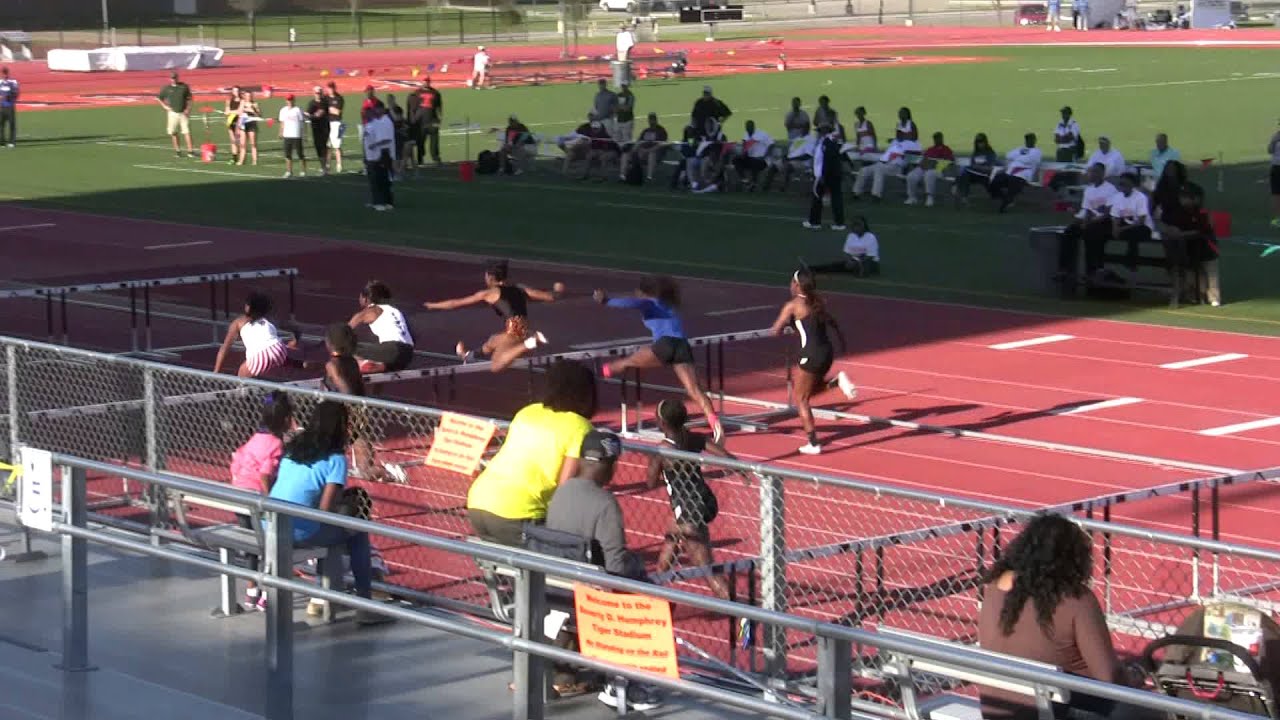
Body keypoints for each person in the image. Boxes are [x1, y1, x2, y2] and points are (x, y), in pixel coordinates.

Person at [978, 514, 1138, 720]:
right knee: (1150, 710)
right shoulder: (1077, 600)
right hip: (1054, 712)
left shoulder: (993, 588)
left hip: (998, 712)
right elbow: (1110, 679)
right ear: (1073, 559)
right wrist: (1135, 676)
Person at [268, 401, 392, 626]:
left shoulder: (294, 448)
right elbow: (326, 511)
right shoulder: (336, 460)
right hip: (297, 531)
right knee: (357, 533)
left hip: (270, 523)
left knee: (335, 536)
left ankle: (321, 597)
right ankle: (364, 605)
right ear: (340, 427)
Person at [466, 360, 598, 546]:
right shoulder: (580, 426)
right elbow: (566, 488)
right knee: (572, 555)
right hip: (518, 512)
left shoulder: (527, 412)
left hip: (478, 501)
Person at [593, 275, 724, 442]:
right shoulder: (670, 304)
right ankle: (716, 425)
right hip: (682, 346)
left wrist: (606, 300)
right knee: (694, 390)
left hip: (665, 345)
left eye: (637, 291)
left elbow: (630, 303)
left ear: (642, 292)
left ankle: (598, 374)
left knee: (626, 362)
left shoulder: (649, 302)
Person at [646, 400, 732, 600]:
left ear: (662, 423)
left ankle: (744, 616)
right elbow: (724, 454)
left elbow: (650, 482)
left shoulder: (662, 451)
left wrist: (661, 469)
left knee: (709, 571)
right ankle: (653, 601)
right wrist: (739, 468)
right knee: (664, 562)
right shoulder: (691, 439)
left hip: (688, 514)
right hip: (698, 504)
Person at [769, 270, 856, 454]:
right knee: (807, 391)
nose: (790, 285)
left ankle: (813, 443)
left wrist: (786, 325)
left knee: (801, 399)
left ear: (797, 285)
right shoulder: (818, 302)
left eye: (792, 282)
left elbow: (775, 330)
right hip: (827, 352)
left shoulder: (792, 306)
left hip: (811, 355)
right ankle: (836, 382)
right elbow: (810, 326)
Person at [423, 259, 561, 371]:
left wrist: (433, 305)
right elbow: (550, 297)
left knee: (496, 366)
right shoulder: (520, 288)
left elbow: (455, 303)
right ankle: (468, 355)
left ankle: (530, 343)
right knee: (492, 341)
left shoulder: (489, 293)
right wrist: (558, 289)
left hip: (515, 330)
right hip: (524, 327)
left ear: (490, 277)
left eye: (485, 275)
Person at [546, 429, 644, 579]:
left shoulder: (562, 490)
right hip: (586, 587)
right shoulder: (606, 503)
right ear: (610, 466)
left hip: (553, 577)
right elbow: (616, 566)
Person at [229, 391, 295, 611]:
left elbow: (237, 460)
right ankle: (267, 593)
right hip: (256, 498)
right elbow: (266, 475)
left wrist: (238, 481)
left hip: (239, 495)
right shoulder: (276, 444)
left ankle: (250, 591)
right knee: (270, 545)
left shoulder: (255, 438)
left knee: (250, 544)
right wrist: (270, 501)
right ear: (286, 420)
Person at [213, 292, 301, 379]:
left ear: (249, 307)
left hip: (259, 355)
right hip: (279, 349)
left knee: (242, 374)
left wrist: (216, 372)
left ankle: (243, 392)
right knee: (292, 362)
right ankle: (311, 368)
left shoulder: (238, 322)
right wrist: (294, 342)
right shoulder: (269, 318)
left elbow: (224, 348)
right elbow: (296, 330)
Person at [1060, 163, 1117, 284]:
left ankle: (1092, 270)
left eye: (1095, 172)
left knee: (1090, 234)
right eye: (1091, 172)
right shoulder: (1089, 190)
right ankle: (1065, 268)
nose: (1092, 174)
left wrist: (1089, 222)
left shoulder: (1110, 189)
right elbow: (1086, 210)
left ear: (1102, 174)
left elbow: (1109, 212)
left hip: (1104, 222)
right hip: (1090, 221)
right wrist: (1078, 218)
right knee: (1070, 231)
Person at [347, 280, 415, 373]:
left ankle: (361, 364)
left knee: (345, 346)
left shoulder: (369, 311)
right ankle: (377, 366)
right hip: (408, 354)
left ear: (365, 299)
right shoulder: (395, 310)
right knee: (385, 361)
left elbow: (343, 332)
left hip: (391, 350)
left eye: (360, 297)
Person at [804, 215, 881, 276]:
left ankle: (859, 269)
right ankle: (811, 268)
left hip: (869, 263)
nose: (856, 227)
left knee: (863, 267)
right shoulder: (851, 236)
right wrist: (849, 260)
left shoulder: (870, 237)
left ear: (864, 226)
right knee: (834, 266)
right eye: (854, 225)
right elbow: (846, 252)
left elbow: (870, 256)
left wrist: (857, 262)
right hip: (853, 260)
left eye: (858, 225)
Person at [1110, 172, 1155, 276]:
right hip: (1125, 226)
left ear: (1132, 185)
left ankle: (1131, 261)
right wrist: (1115, 228)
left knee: (1134, 234)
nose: (1123, 187)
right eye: (1121, 184)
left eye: (1126, 184)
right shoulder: (1117, 197)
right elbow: (1115, 216)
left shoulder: (1140, 197)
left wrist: (1120, 229)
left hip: (1142, 227)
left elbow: (1141, 221)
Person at [804, 123, 846, 230]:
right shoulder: (831, 141)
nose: (818, 133)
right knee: (836, 198)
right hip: (832, 174)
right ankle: (839, 223)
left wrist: (822, 175)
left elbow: (827, 160)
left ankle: (814, 222)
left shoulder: (827, 142)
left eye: (820, 130)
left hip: (826, 174)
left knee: (817, 198)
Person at [989, 133, 1041, 213]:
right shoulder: (1020, 148)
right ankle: (1005, 198)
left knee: (1013, 185)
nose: (1029, 141)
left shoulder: (1037, 152)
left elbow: (1028, 160)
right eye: (1027, 140)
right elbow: (1008, 155)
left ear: (1034, 140)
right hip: (1010, 173)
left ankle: (1004, 206)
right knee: (994, 182)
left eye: (1031, 140)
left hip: (1022, 175)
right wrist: (1019, 158)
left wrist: (1017, 158)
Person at [905, 132, 955, 207]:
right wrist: (921, 163)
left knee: (929, 173)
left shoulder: (946, 149)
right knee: (911, 176)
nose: (937, 140)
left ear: (942, 138)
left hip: (938, 170)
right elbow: (923, 159)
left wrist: (936, 164)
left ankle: (929, 197)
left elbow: (950, 161)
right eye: (935, 138)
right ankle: (912, 197)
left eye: (938, 138)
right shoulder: (930, 149)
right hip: (925, 167)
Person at [362, 104, 395, 211]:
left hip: (376, 157)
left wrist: (375, 147)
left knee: (378, 181)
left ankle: (380, 203)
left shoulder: (377, 124)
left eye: (368, 113)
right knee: (375, 181)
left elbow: (384, 140)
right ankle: (379, 201)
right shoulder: (368, 125)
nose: (366, 115)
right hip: (370, 157)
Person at [622, 112, 668, 182]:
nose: (651, 121)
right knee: (625, 154)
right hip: (642, 152)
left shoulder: (661, 131)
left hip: (655, 153)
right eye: (650, 119)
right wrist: (636, 149)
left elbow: (661, 144)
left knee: (651, 154)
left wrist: (648, 150)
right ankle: (623, 175)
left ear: (656, 120)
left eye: (653, 119)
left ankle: (649, 177)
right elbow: (639, 141)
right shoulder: (646, 130)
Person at [955, 132, 999, 204]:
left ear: (985, 142)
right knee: (964, 174)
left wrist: (978, 167)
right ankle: (964, 197)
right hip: (974, 175)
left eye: (981, 142)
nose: (979, 144)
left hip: (985, 175)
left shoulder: (990, 153)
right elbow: (972, 165)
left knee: (965, 170)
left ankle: (955, 186)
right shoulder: (975, 153)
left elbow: (990, 168)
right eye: (978, 142)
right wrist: (974, 167)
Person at [157, 72, 193, 158]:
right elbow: (159, 98)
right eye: (172, 78)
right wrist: (165, 106)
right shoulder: (166, 88)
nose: (173, 79)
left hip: (183, 113)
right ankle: (178, 151)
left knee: (187, 132)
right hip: (172, 113)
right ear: (170, 79)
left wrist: (188, 109)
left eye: (175, 78)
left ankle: (190, 151)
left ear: (177, 77)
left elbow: (189, 99)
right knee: (173, 132)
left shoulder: (184, 87)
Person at [734, 119, 773, 190]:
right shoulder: (746, 135)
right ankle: (745, 180)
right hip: (750, 158)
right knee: (736, 160)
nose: (748, 129)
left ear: (753, 127)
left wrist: (764, 156)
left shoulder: (762, 134)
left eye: (750, 127)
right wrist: (742, 154)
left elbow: (771, 145)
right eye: (747, 127)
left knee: (754, 162)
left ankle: (754, 183)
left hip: (762, 160)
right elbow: (745, 147)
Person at [278, 94, 308, 178]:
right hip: (287, 135)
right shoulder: (283, 110)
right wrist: (280, 132)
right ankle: (289, 171)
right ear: (286, 101)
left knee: (300, 154)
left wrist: (304, 134)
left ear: (294, 100)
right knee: (287, 154)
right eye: (288, 100)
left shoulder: (298, 110)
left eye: (291, 100)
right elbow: (282, 122)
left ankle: (303, 171)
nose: (289, 102)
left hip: (296, 135)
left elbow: (303, 123)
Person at [418, 78, 443, 166]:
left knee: (435, 142)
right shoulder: (417, 93)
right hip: (421, 122)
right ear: (422, 81)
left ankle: (436, 158)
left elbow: (439, 107)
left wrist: (439, 119)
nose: (426, 83)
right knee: (420, 142)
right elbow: (413, 108)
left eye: (428, 81)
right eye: (424, 81)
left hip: (433, 120)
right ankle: (420, 159)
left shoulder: (436, 93)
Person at [306, 86, 330, 174]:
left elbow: (319, 114)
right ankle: (323, 166)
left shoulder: (324, 102)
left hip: (324, 128)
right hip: (315, 128)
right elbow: (308, 113)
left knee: (324, 147)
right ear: (314, 93)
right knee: (318, 148)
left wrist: (310, 116)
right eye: (316, 93)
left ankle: (325, 167)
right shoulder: (311, 103)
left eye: (319, 93)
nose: (318, 94)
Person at [237, 90, 261, 166]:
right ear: (245, 96)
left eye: (250, 96)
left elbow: (259, 115)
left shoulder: (255, 104)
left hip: (252, 125)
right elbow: (239, 112)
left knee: (253, 143)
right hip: (243, 125)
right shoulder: (242, 103)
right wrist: (244, 109)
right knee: (243, 144)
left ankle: (254, 161)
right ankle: (241, 161)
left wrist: (253, 110)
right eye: (247, 96)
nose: (248, 97)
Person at [326, 82, 346, 175]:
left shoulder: (339, 98)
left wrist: (328, 109)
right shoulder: (326, 98)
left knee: (337, 146)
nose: (330, 90)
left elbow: (337, 112)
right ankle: (327, 165)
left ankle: (339, 165)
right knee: (328, 146)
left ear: (334, 88)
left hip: (336, 124)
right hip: (327, 123)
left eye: (332, 88)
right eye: (329, 88)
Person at [0, 67, 18, 148]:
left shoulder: (13, 82)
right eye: (3, 73)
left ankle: (12, 142)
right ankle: (2, 142)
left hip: (10, 106)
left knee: (12, 125)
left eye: (6, 73)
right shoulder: (0, 82)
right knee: (1, 125)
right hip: (1, 107)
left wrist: (9, 96)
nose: (5, 75)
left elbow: (16, 93)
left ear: (8, 73)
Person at [224, 86, 242, 163]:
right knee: (232, 140)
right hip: (230, 121)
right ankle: (234, 157)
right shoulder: (229, 100)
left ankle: (241, 157)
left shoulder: (242, 100)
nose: (236, 92)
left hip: (239, 121)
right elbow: (226, 111)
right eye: (234, 91)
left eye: (237, 91)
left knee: (239, 140)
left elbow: (240, 111)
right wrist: (228, 112)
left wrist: (230, 111)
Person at [1268, 120, 1280, 228]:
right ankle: (1277, 218)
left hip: (1276, 167)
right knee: (1276, 194)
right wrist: (1273, 141)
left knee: (1276, 194)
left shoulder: (1276, 137)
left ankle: (1277, 219)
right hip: (1276, 168)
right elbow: (1270, 150)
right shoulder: (1276, 137)